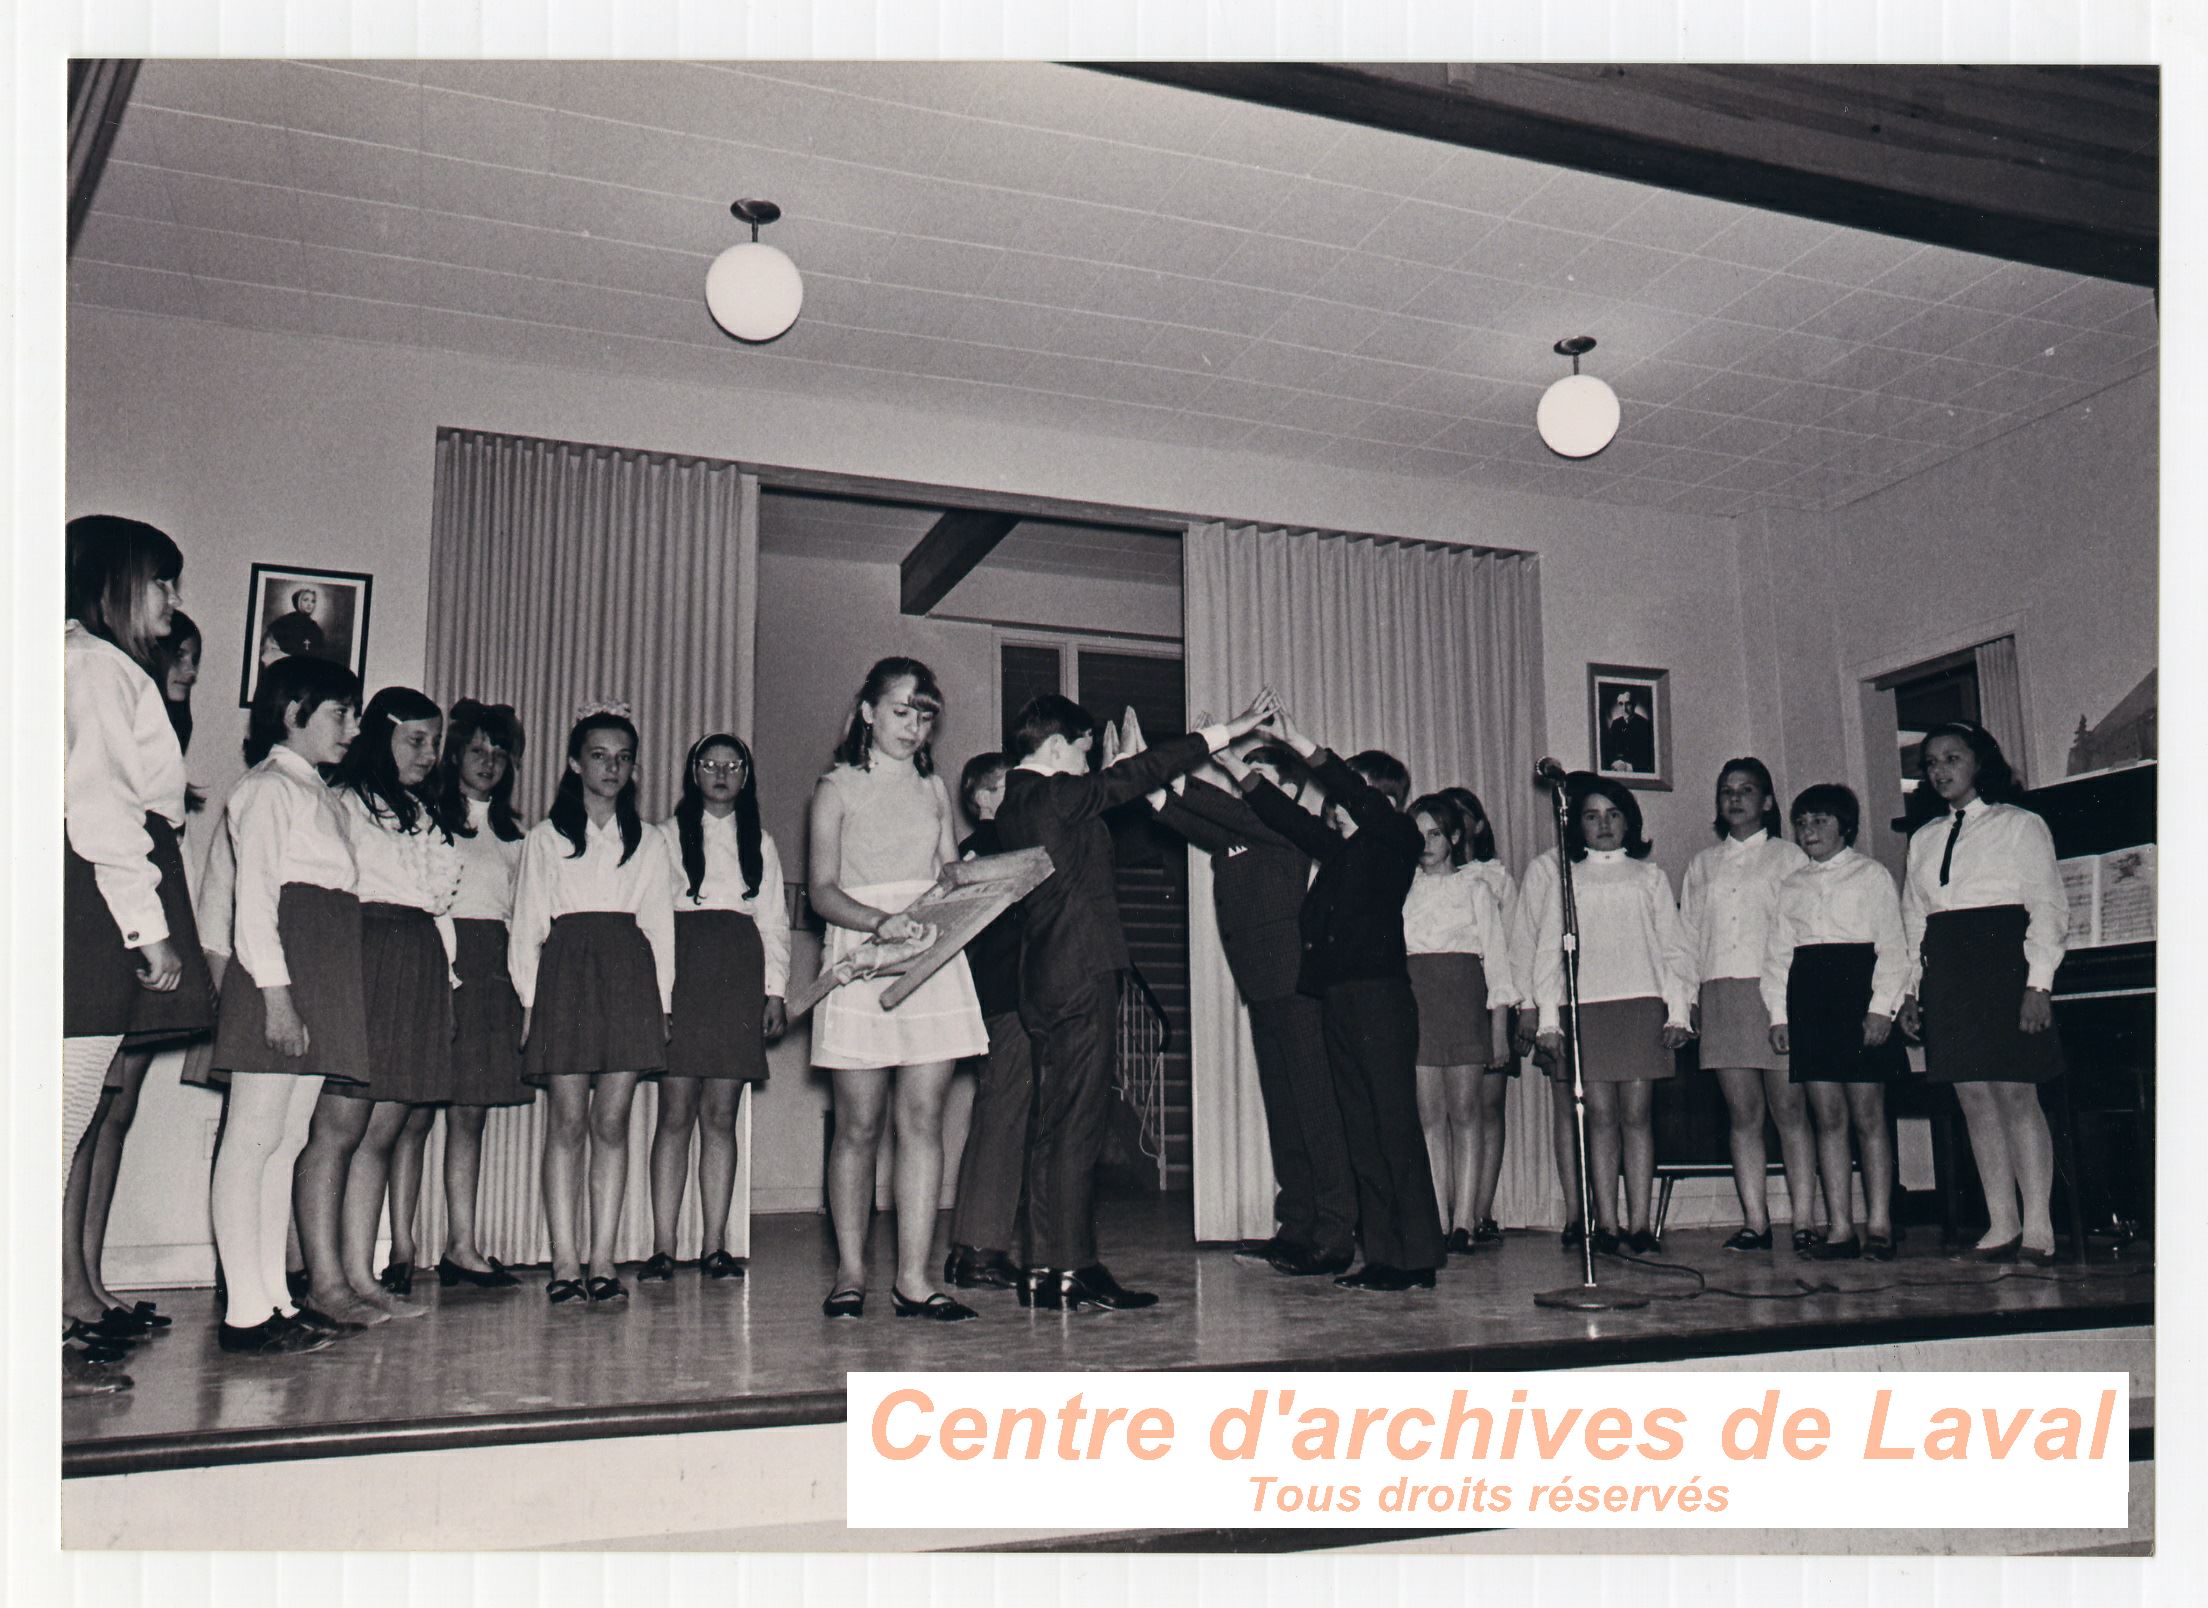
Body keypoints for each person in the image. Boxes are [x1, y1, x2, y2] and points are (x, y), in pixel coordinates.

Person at [997, 691, 1275, 1310]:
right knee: (1078, 1127)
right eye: (1082, 748)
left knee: (1049, 1129)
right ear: (1055, 745)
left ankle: (1042, 1268)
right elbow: (1136, 775)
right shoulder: (1053, 794)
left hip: (1041, 977)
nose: (1086, 760)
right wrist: (1225, 732)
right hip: (1081, 971)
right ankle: (1074, 1267)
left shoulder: (1012, 802)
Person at [62, 517, 219, 1391]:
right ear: (116, 581)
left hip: (102, 898)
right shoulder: (93, 665)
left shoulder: (109, 667)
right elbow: (98, 810)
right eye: (163, 582)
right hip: (91, 904)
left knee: (69, 1117)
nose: (174, 601)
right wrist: (146, 926)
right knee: (54, 1127)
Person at [1219, 708, 1438, 1292]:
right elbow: (1286, 818)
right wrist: (1233, 766)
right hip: (1339, 1002)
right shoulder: (1342, 854)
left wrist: (1303, 746)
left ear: (1381, 801)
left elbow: (1350, 793)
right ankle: (1383, 1256)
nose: (1335, 804)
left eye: (1353, 795)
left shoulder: (1397, 840)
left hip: (1380, 1002)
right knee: (1360, 1131)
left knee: (1391, 1128)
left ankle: (1415, 1258)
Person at [809, 659, 989, 1322]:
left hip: (930, 960)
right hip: (862, 955)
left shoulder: (934, 788)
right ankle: (851, 1272)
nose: (913, 727)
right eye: (900, 712)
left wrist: (975, 881)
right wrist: (879, 922)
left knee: (923, 1121)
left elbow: (946, 879)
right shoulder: (837, 788)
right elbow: (823, 890)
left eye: (924, 715)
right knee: (858, 1125)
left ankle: (914, 1278)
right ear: (867, 713)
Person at [204, 651, 371, 1355]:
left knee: (281, 1148)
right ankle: (245, 1314)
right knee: (251, 1142)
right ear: (293, 711)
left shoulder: (316, 792)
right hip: (281, 981)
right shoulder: (269, 788)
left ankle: (272, 1298)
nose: (353, 729)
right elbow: (256, 905)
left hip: (318, 978)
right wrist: (276, 999)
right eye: (340, 714)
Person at [1149, 740, 1357, 1277]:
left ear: (1285, 792)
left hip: (1295, 985)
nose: (1242, 784)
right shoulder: (1241, 835)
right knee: (1286, 1112)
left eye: (1254, 776)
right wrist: (1152, 785)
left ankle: (1335, 1234)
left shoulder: (1285, 826)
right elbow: (1187, 819)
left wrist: (1193, 776)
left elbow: (1227, 808)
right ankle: (1296, 1228)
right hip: (1262, 985)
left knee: (1316, 1110)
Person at [293, 688, 462, 1325]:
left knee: (384, 1131)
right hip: (364, 959)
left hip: (416, 961)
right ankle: (323, 1282)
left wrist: (445, 987)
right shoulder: (342, 803)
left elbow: (437, 911)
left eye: (433, 742)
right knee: (338, 1128)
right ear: (378, 738)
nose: (428, 753)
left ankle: (362, 1277)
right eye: (414, 740)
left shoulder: (423, 812)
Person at [511, 702, 676, 1305]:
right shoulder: (545, 838)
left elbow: (660, 926)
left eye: (623, 758)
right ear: (576, 762)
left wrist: (662, 1002)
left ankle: (602, 1261)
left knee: (612, 1122)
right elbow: (527, 922)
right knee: (567, 1121)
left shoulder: (651, 841)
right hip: (565, 976)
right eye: (599, 756)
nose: (611, 768)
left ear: (633, 770)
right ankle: (562, 1262)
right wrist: (530, 1000)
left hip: (630, 977)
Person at [1899, 722, 2067, 1265]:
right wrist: (1909, 992)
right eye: (1931, 763)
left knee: (2017, 1093)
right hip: (1948, 970)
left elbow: (2047, 907)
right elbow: (1913, 921)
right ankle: (2002, 1222)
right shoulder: (1923, 839)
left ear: (1980, 762)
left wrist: (2038, 983)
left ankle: (2039, 1223)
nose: (1941, 770)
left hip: (2004, 966)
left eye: (1952, 758)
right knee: (1973, 1097)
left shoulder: (2021, 826)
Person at [1522, 775, 1695, 1254]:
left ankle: (1641, 1225)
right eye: (1592, 816)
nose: (1603, 824)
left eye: (1613, 815)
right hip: (1589, 1009)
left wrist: (1677, 1011)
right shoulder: (1566, 880)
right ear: (1577, 824)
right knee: (1598, 1117)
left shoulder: (1650, 877)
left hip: (1640, 1005)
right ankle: (1607, 1223)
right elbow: (1548, 955)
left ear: (1629, 821)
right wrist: (1551, 1021)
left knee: (1636, 1116)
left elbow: (1674, 951)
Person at [645, 733, 789, 1283]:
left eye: (733, 765)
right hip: (682, 972)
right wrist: (658, 996)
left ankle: (714, 1245)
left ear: (746, 776)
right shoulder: (662, 837)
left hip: (737, 975)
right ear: (693, 772)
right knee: (675, 1112)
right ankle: (662, 1246)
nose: (722, 773)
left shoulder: (763, 843)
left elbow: (774, 921)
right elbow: (652, 917)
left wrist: (774, 990)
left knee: (721, 1115)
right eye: (711, 764)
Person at [407, 700, 532, 1289]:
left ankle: (462, 1246)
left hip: (492, 973)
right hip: (437, 964)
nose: (488, 762)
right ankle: (399, 1248)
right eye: (477, 750)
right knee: (409, 1115)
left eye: (499, 752)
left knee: (469, 1115)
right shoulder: (427, 817)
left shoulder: (516, 836)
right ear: (454, 754)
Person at [1764, 784, 1909, 1261]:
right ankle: (1841, 1228)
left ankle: (1881, 1224)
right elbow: (1778, 957)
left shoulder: (1871, 875)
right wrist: (1780, 1016)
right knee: (1828, 1118)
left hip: (1859, 997)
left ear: (1845, 825)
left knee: (1868, 1116)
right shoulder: (1792, 885)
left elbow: (1893, 946)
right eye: (1802, 823)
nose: (1809, 831)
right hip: (1810, 1002)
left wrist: (1880, 1008)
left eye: (1820, 821)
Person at [1679, 758, 1817, 1254]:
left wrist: (1794, 1002)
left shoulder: (1790, 858)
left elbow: (1804, 932)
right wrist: (1686, 1001)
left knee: (1790, 1109)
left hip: (1777, 994)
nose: (1735, 798)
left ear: (1767, 801)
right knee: (1743, 1113)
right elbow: (1688, 939)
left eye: (1746, 789)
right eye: (1726, 791)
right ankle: (1755, 1223)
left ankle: (1804, 1220)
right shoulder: (1703, 864)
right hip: (1721, 992)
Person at [1402, 792, 1516, 1257]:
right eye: (1417, 835)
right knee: (1430, 1118)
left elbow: (1498, 966)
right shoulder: (1401, 888)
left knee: (1466, 1114)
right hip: (1418, 1005)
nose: (1425, 843)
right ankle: (1438, 1217)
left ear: (1453, 838)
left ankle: (1465, 1220)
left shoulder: (1476, 888)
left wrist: (1498, 1029)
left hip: (1464, 1005)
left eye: (1434, 834)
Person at [943, 752, 1034, 1291]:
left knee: (998, 1113)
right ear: (982, 798)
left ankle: (972, 1246)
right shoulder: (996, 848)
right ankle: (981, 1248)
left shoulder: (976, 849)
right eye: (1009, 785)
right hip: (1012, 994)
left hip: (996, 996)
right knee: (1005, 1117)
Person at [1439, 784, 1518, 1246]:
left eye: (1464, 814)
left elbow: (1508, 943)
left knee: (1486, 1106)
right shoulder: (1428, 876)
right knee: (1447, 1108)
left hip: (1490, 999)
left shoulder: (1495, 877)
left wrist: (1511, 1011)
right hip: (1447, 1000)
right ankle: (1451, 1209)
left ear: (1479, 824)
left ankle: (1480, 1209)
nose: (1458, 822)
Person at [265, 586, 328, 660]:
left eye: (313, 601)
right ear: (298, 602)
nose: (309, 604)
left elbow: (319, 653)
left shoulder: (315, 628)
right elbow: (270, 647)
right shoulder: (285, 621)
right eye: (305, 600)